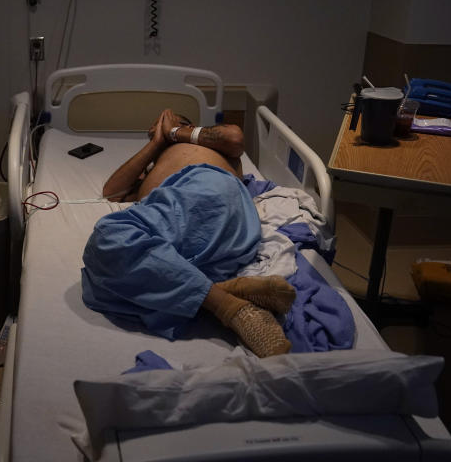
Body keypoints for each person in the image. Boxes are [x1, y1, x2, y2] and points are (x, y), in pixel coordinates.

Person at [82, 109, 296, 358]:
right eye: (154, 127)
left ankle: (227, 307)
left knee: (107, 237)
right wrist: (156, 144)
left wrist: (175, 132)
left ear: (189, 126)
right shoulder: (157, 161)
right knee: (140, 269)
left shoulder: (208, 144)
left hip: (206, 192)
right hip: (210, 239)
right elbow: (112, 192)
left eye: (161, 124)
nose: (156, 127)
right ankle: (227, 293)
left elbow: (235, 138)